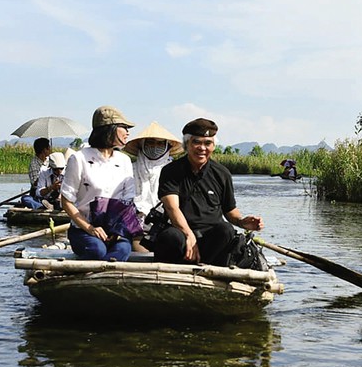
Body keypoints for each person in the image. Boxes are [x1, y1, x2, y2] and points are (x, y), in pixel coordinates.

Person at [154, 118, 264, 265]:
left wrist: (242, 222)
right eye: (196, 142)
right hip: (181, 234)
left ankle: (204, 267)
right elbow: (171, 207)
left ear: (213, 146)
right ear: (187, 144)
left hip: (210, 241)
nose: (202, 148)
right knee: (170, 236)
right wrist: (189, 235)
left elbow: (230, 210)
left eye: (207, 143)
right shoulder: (171, 171)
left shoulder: (222, 173)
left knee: (226, 229)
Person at [60, 105, 137, 262]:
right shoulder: (79, 158)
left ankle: (104, 275)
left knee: (122, 249)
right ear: (110, 129)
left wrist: (118, 230)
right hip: (83, 229)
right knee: (97, 250)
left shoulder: (124, 161)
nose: (128, 132)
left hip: (115, 229)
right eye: (124, 127)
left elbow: (128, 200)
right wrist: (90, 228)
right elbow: (66, 201)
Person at [124, 122, 183, 252]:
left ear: (167, 147)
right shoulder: (129, 169)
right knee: (139, 248)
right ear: (142, 145)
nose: (155, 147)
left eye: (160, 143)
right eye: (150, 143)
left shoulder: (174, 171)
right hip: (136, 225)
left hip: (166, 224)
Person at [21, 137, 51, 209]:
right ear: (44, 150)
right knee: (25, 199)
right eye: (49, 148)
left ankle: (48, 205)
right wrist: (44, 175)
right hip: (38, 195)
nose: (50, 150)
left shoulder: (49, 160)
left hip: (51, 193)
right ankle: (41, 207)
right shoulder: (34, 164)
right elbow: (35, 184)